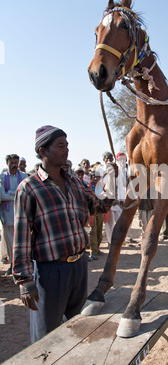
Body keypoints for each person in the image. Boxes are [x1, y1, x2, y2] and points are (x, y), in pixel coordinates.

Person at [12, 125, 113, 343]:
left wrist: (117, 188)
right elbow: (20, 237)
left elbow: (98, 206)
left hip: (79, 267)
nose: (66, 150)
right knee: (46, 337)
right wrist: (25, 281)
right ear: (43, 151)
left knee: (77, 328)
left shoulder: (74, 182)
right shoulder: (28, 188)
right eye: (60, 146)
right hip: (50, 272)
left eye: (67, 145)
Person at [0, 154, 27, 274]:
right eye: (12, 163)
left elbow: (25, 195)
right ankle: (12, 265)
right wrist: (15, 193)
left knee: (22, 243)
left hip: (22, 216)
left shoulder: (24, 177)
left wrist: (9, 194)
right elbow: (2, 196)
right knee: (10, 243)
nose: (14, 165)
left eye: (16, 162)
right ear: (7, 163)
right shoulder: (1, 178)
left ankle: (22, 265)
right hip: (7, 216)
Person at [89, 168, 104, 258]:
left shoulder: (102, 186)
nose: (95, 178)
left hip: (100, 210)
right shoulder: (88, 186)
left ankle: (97, 249)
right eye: (94, 176)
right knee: (93, 232)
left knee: (99, 231)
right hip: (92, 211)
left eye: (97, 176)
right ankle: (93, 251)